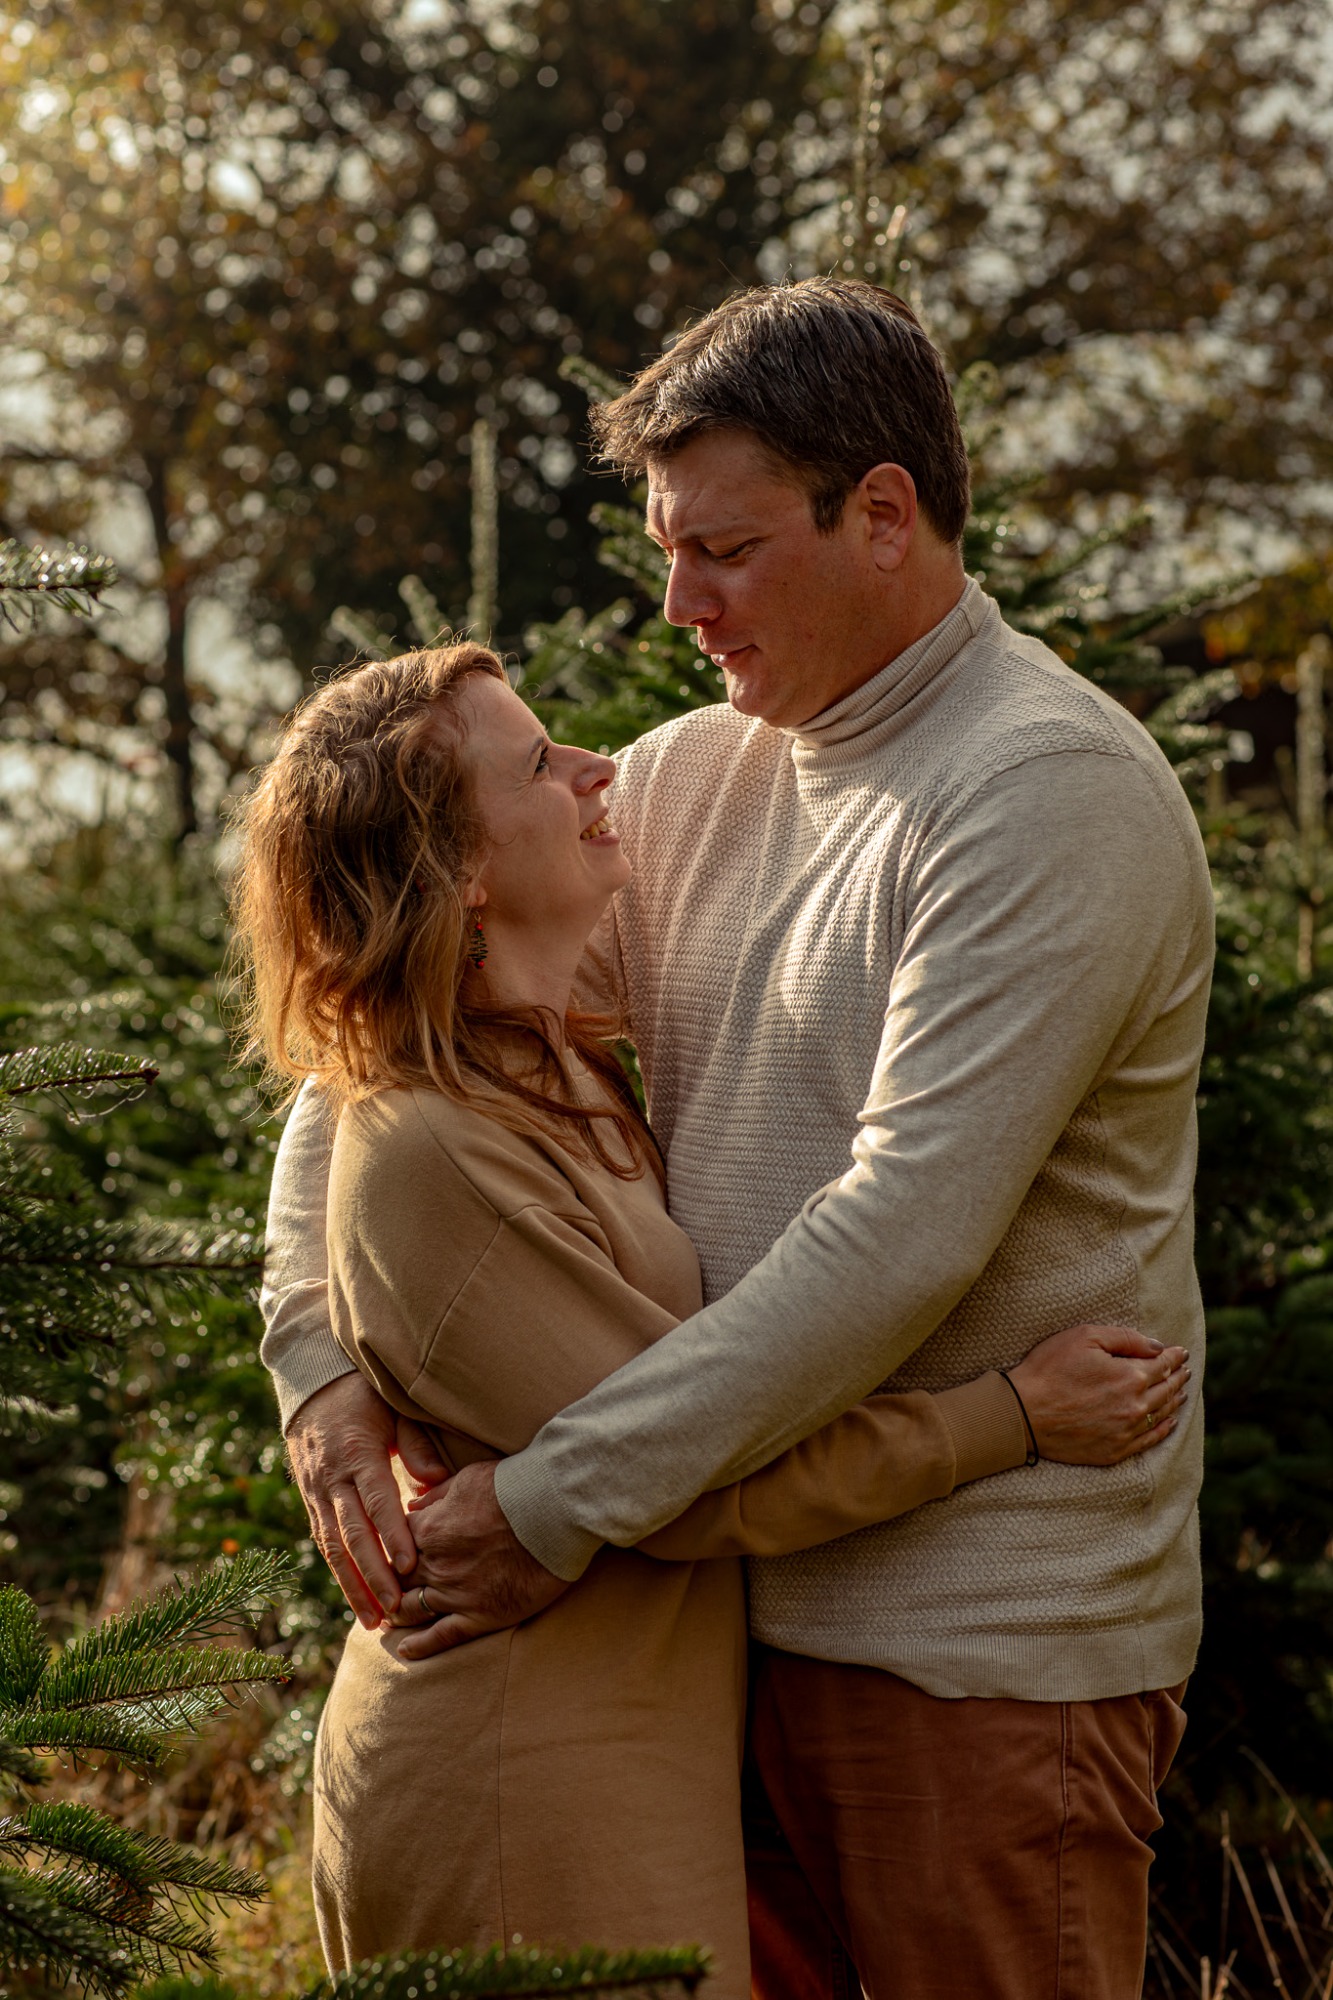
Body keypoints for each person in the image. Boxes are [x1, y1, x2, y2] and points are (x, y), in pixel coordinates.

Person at [262, 279, 1214, 1999]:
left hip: (967, 1660)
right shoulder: (702, 776)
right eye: (667, 551)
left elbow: (899, 1234)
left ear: (881, 515)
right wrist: (316, 1357)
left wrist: (550, 1501)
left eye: (725, 551)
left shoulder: (1040, 790)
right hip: (711, 1636)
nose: (678, 604)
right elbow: (385, 1027)